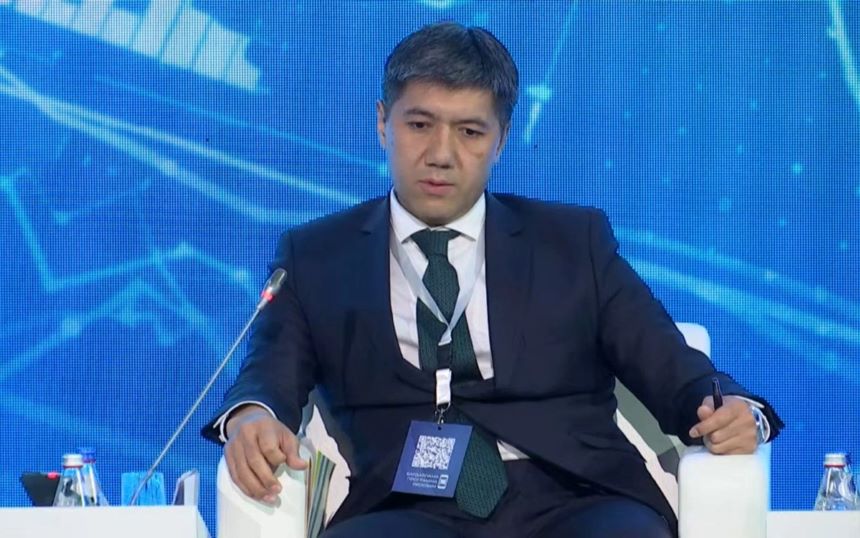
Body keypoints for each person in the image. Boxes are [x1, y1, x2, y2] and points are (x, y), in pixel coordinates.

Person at [202, 21, 783, 538]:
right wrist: (252, 416)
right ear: (383, 123)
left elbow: (673, 368)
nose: (441, 154)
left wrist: (733, 409)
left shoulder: (572, 242)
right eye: (420, 124)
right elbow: (268, 378)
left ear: (500, 140)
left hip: (577, 497)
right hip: (405, 504)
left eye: (470, 132)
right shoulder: (315, 256)